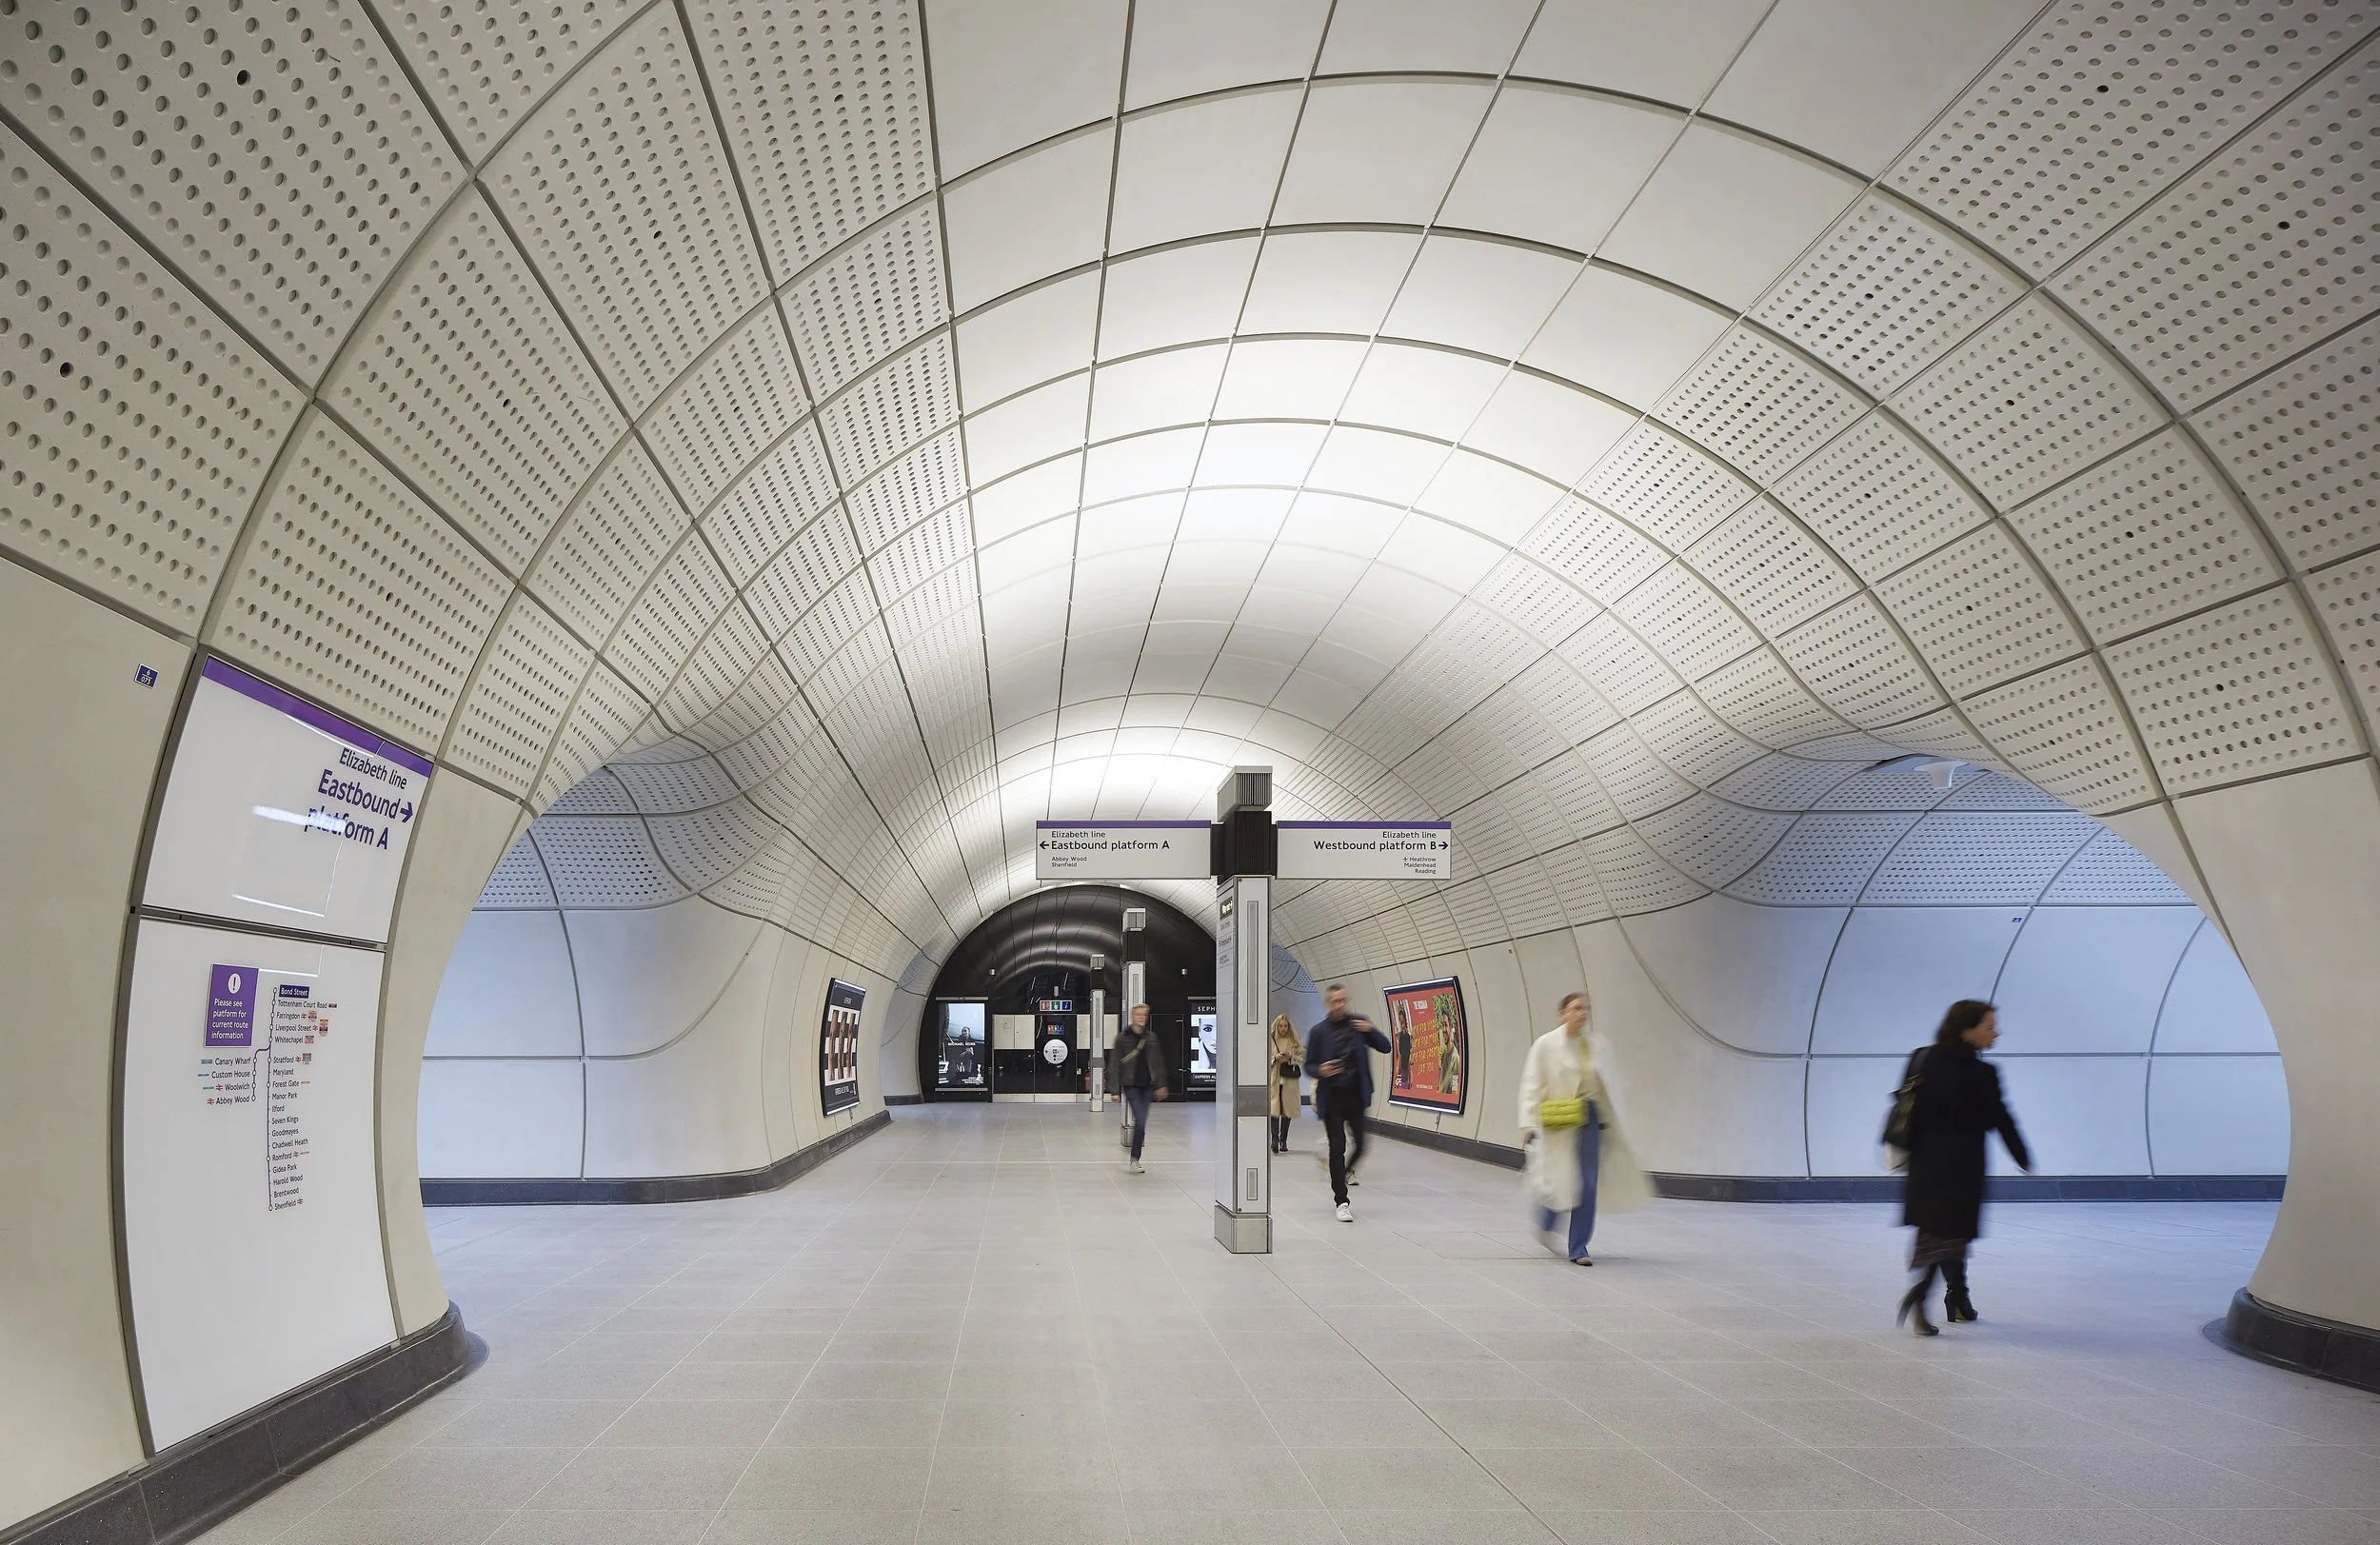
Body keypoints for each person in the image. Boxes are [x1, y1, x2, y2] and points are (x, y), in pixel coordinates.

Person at [1893, 999, 2030, 1336]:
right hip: (1963, 1166)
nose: (1996, 1033)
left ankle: (1958, 1298)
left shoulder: (1922, 1058)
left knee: (1941, 1232)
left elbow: (1904, 1102)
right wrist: (2022, 1155)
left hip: (1926, 1164)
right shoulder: (1983, 1073)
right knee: (1949, 1233)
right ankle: (1921, 1294)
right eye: (1989, 1026)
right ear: (1967, 1032)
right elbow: (2000, 1117)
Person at [1518, 991, 1647, 1264]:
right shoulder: (1545, 1045)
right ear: (1562, 1013)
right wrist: (1528, 1123)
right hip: (1558, 1121)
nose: (1581, 1013)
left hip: (1589, 1120)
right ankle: (1546, 1220)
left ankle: (1578, 1247)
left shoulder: (1597, 1045)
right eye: (1575, 1008)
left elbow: (1608, 1087)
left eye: (1584, 1008)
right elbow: (1531, 1083)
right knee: (1560, 1180)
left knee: (1587, 1184)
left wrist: (1614, 1123)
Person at [1305, 985, 1391, 1221]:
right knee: (1337, 1148)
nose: (1339, 1005)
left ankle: (1340, 1174)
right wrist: (1321, 1070)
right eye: (1334, 1001)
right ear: (1327, 1003)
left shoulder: (1359, 1025)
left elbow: (1386, 1047)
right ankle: (1341, 1201)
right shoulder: (1319, 1031)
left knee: (1362, 1145)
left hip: (1356, 1096)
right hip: (1332, 1097)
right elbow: (1309, 1065)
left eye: (1342, 1000)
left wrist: (1372, 1030)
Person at [1107, 1002, 1167, 1174]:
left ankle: (1135, 1158)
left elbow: (1158, 1062)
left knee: (1142, 1122)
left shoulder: (1151, 1038)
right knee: (1140, 1119)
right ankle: (1135, 1159)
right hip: (1131, 1085)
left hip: (1147, 1085)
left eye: (1144, 1015)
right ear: (1132, 1016)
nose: (1141, 1017)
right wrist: (1114, 1090)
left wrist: (1161, 1084)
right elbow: (1114, 1064)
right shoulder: (1122, 1037)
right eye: (1138, 1014)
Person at [1266, 1013, 1303, 1154]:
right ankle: (1274, 1139)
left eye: (1285, 1026)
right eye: (1280, 1026)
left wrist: (1291, 1057)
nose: (1283, 1028)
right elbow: (1263, 1058)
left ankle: (1283, 1140)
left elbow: (1301, 1058)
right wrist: (1275, 1058)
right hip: (1275, 1079)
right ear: (1276, 1026)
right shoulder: (1270, 1040)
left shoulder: (1294, 1041)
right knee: (1274, 1110)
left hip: (1289, 1080)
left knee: (1287, 1110)